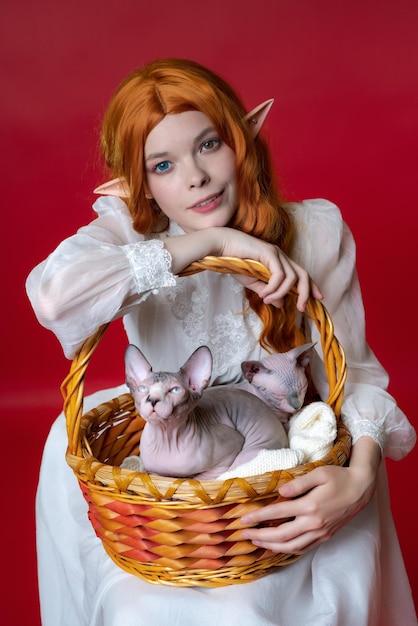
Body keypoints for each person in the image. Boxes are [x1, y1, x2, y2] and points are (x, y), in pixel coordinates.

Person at [26, 58, 417, 626]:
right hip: (169, 519)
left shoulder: (318, 231)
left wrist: (358, 480)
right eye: (163, 164)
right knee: (141, 610)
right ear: (141, 183)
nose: (195, 177)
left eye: (209, 145)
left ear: (242, 141)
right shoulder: (134, 231)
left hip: (277, 479)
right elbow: (56, 298)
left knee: (254, 609)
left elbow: (354, 376)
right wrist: (212, 240)